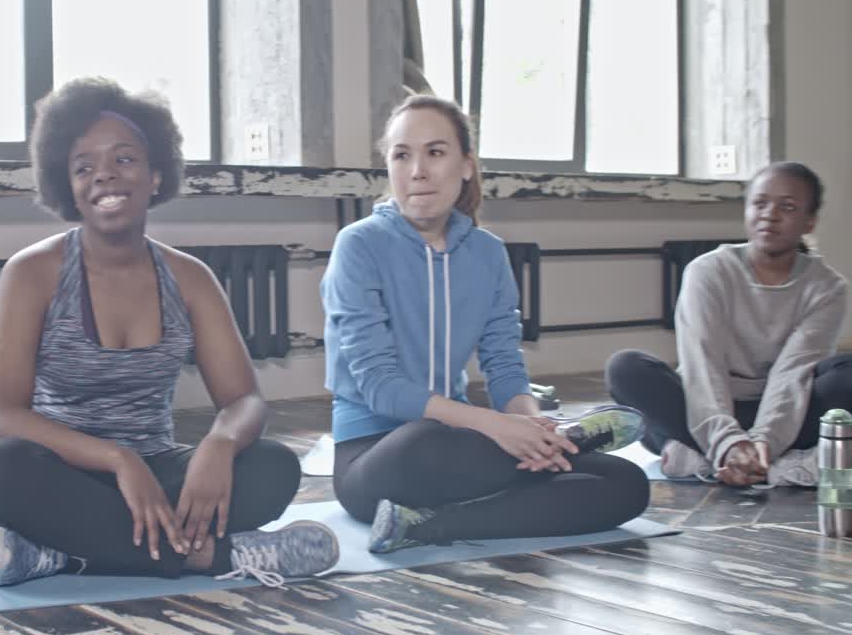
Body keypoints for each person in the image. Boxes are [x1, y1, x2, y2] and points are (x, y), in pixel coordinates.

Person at [0, 77, 338, 587]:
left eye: (123, 159)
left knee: (272, 466)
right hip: (56, 475)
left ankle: (60, 554)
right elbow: (2, 417)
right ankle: (216, 557)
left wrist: (219, 443)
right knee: (0, 472)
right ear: (68, 186)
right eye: (84, 167)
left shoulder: (190, 280)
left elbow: (244, 400)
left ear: (156, 175)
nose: (104, 175)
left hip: (159, 474)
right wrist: (118, 460)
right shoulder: (32, 272)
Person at [321, 94, 650, 553]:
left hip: (466, 448)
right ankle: (563, 444)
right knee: (426, 441)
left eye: (435, 152)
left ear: (466, 166)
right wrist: (497, 427)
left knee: (627, 485)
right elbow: (380, 388)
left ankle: (428, 525)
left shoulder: (488, 254)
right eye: (402, 155)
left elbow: (505, 367)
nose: (417, 171)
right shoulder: (359, 245)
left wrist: (531, 429)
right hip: (378, 458)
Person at [607, 162, 850, 486]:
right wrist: (728, 441)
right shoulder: (708, 272)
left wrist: (764, 442)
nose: (770, 215)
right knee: (626, 368)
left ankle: (703, 458)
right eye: (759, 203)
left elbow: (793, 372)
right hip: (707, 407)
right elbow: (703, 365)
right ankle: (775, 465)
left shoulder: (827, 287)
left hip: (789, 413)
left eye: (788, 207)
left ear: (810, 221)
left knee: (845, 375)